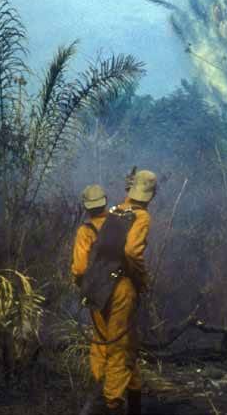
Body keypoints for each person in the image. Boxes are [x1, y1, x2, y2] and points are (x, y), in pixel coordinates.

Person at [71, 171, 156, 414]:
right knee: (121, 348)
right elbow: (131, 251)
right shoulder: (142, 217)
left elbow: (82, 266)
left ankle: (108, 395)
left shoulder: (116, 210)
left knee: (104, 343)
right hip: (120, 290)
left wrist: (89, 285)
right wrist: (141, 280)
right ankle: (112, 404)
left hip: (97, 289)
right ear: (151, 194)